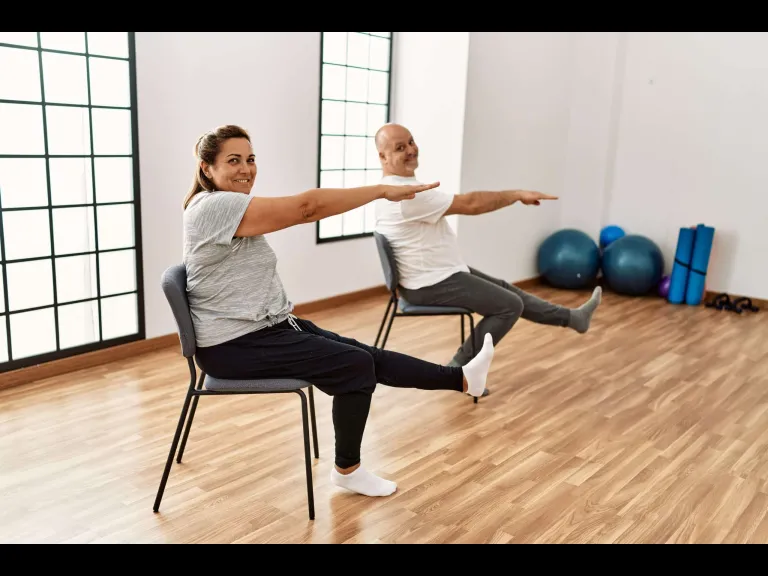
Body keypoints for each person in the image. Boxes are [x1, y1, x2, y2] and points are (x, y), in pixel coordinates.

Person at [182, 125, 496, 499]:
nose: (246, 169)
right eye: (233, 161)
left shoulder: (230, 206)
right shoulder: (214, 207)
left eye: (250, 159)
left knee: (365, 355)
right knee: (355, 365)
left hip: (266, 329)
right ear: (207, 169)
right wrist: (381, 189)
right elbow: (306, 207)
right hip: (234, 346)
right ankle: (348, 470)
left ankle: (462, 378)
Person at [373, 123, 602, 368]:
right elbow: (471, 204)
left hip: (438, 273)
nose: (411, 149)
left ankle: (572, 318)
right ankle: (458, 369)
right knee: (509, 305)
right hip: (430, 283)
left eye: (411, 141)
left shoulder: (394, 190)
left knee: (508, 292)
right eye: (400, 147)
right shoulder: (406, 195)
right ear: (383, 156)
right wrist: (515, 194)